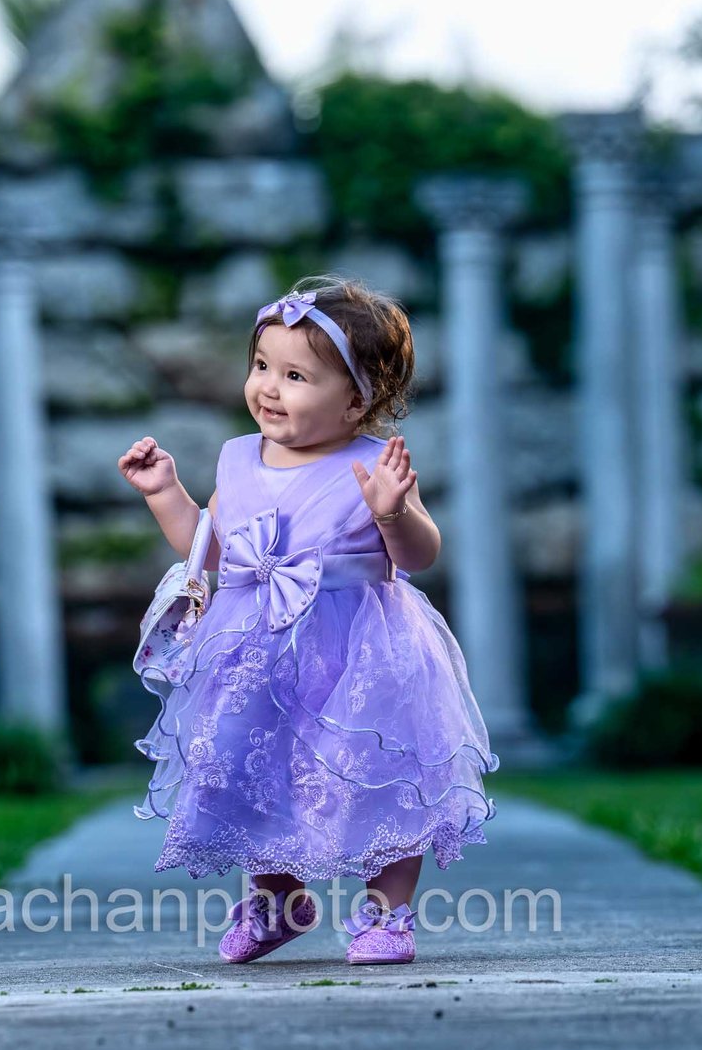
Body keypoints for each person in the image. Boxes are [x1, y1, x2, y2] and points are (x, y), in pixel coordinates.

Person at [116, 275, 500, 966]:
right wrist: (164, 491)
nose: (269, 387)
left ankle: (388, 913)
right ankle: (278, 900)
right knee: (253, 766)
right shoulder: (239, 457)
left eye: (295, 376)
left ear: (357, 400)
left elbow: (421, 555)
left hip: (360, 650)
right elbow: (212, 549)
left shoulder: (370, 465)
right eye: (262, 366)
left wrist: (393, 513)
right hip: (258, 650)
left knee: (382, 773)